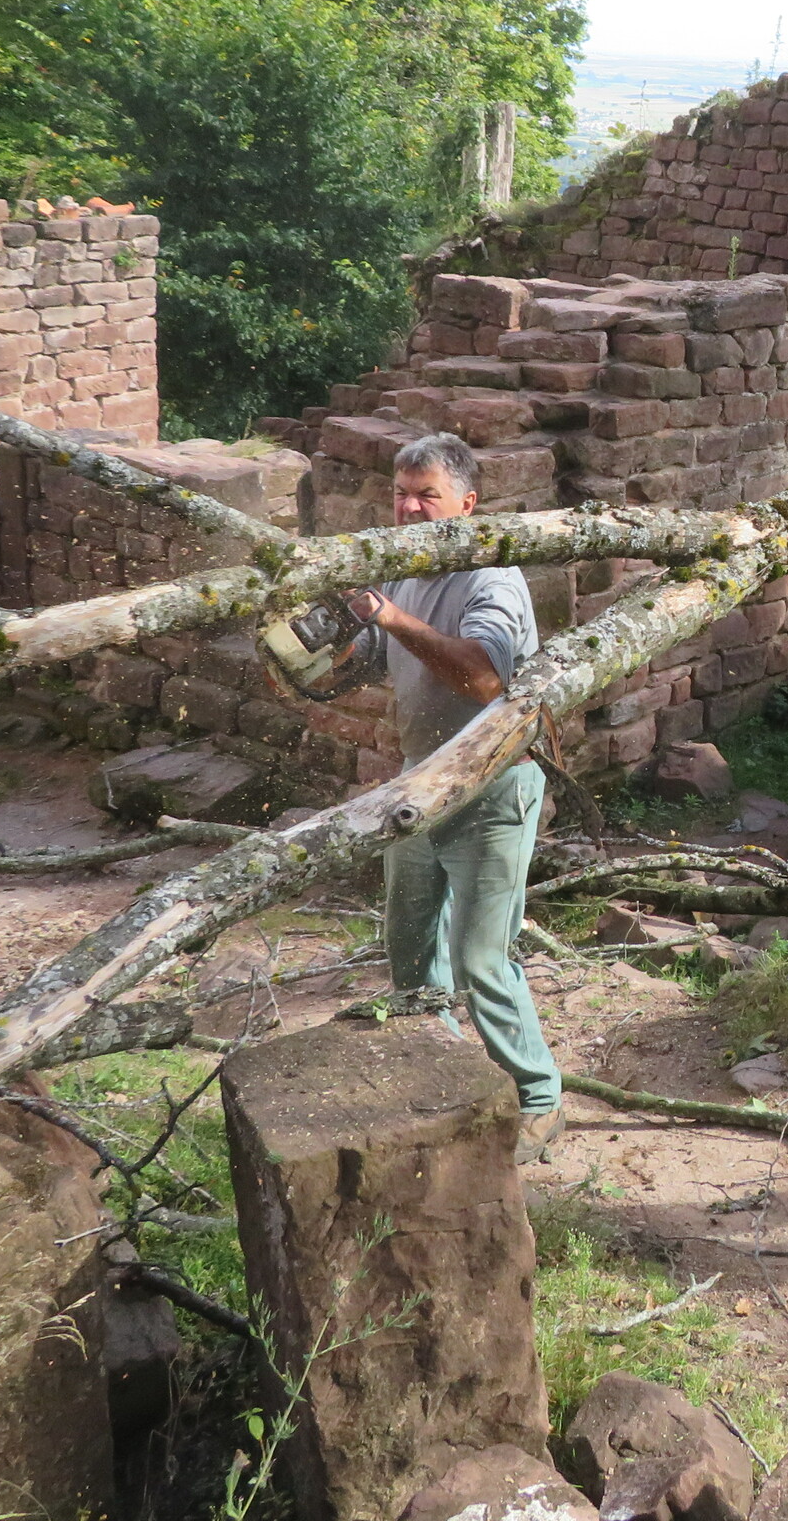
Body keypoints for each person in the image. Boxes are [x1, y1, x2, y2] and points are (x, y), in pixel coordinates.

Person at [338, 433, 566, 1164]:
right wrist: (319, 648)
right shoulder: (406, 568)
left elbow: (483, 677)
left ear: (467, 504)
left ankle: (538, 1100)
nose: (409, 509)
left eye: (426, 496)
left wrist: (390, 618)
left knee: (480, 958)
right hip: (419, 782)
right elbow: (371, 658)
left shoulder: (492, 577)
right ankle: (442, 1080)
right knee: (409, 943)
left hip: (493, 785)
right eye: (401, 494)